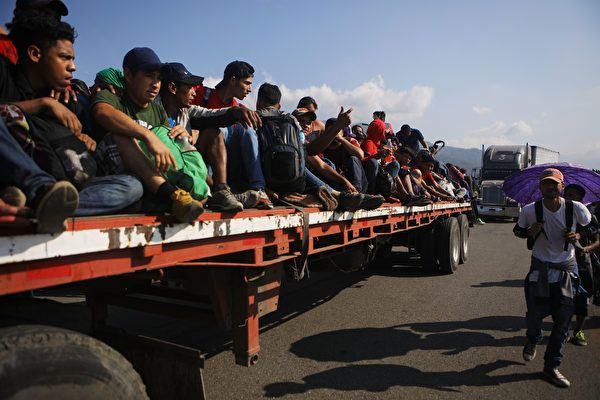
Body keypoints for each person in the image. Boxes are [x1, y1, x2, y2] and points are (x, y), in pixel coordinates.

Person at [0, 13, 143, 228]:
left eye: (73, 59)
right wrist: (43, 104)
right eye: (65, 58)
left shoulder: (69, 98)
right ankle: (41, 193)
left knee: (132, 186)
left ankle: (46, 207)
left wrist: (83, 141)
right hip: (32, 182)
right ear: (34, 54)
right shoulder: (5, 76)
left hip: (73, 186)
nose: (73, 67)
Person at [91, 47, 211, 221]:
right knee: (123, 135)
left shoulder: (157, 110)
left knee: (175, 145)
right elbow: (102, 112)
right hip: (115, 170)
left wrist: (181, 136)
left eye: (158, 78)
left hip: (147, 175)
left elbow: (166, 144)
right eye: (148, 76)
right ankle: (169, 195)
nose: (155, 84)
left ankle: (172, 195)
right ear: (129, 75)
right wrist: (148, 136)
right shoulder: (114, 96)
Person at [514, 168, 592, 388]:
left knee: (561, 323)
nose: (550, 187)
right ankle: (533, 338)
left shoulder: (576, 209)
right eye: (546, 183)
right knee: (534, 319)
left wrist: (578, 235)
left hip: (567, 271)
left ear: (562, 186)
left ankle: (551, 367)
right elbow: (518, 231)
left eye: (554, 183)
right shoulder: (530, 210)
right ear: (540, 187)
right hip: (540, 271)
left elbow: (592, 228)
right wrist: (530, 231)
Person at [158, 62, 265, 209]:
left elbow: (212, 114)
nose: (194, 92)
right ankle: (219, 194)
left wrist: (235, 112)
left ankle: (221, 191)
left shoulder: (186, 111)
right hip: (167, 169)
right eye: (189, 87)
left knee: (214, 132)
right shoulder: (153, 110)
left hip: (191, 166)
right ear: (172, 88)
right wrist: (183, 139)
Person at [190, 60, 271, 208]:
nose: (250, 89)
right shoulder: (202, 95)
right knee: (218, 129)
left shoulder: (239, 108)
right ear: (233, 80)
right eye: (247, 83)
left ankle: (258, 189)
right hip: (202, 158)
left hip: (229, 164)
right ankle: (215, 190)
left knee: (248, 130)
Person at [564, 184, 599, 346]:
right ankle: (563, 329)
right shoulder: (558, 212)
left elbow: (597, 239)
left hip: (582, 262)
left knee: (582, 297)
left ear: (580, 199)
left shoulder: (588, 216)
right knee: (563, 298)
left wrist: (585, 248)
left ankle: (578, 331)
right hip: (562, 261)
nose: (569, 197)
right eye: (567, 194)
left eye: (573, 195)